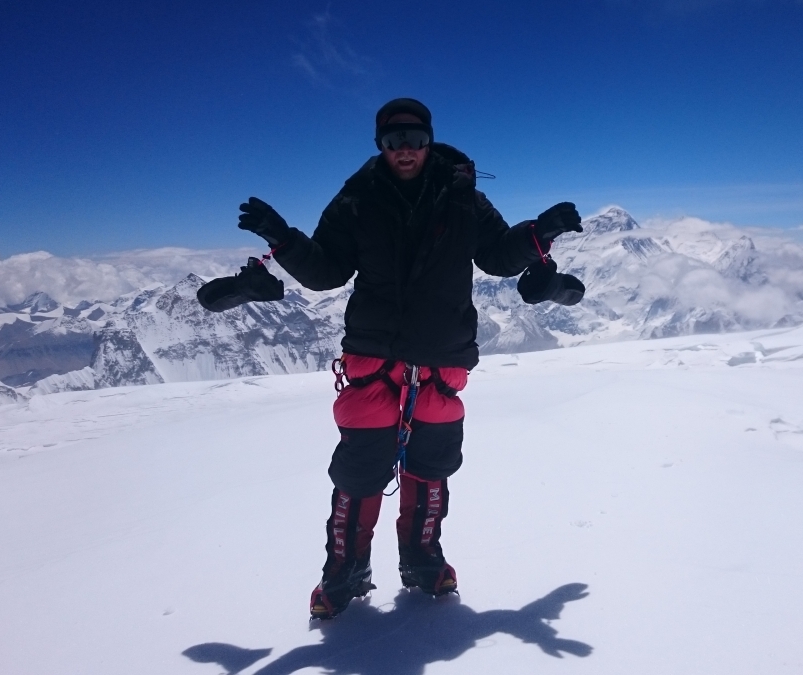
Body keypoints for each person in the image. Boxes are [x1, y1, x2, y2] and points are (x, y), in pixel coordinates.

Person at [235, 98, 585, 620]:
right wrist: (282, 240)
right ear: (380, 144)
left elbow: (494, 255)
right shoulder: (357, 198)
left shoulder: (463, 197)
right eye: (394, 140)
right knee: (359, 471)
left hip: (441, 357)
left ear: (429, 140)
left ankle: (422, 560)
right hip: (375, 354)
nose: (406, 150)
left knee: (431, 468)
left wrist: (539, 234)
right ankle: (344, 572)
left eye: (415, 139)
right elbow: (328, 270)